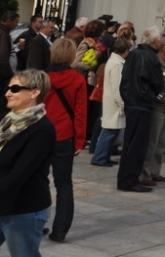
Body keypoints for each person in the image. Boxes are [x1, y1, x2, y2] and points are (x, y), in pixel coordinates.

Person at [0, 68, 56, 257]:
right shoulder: (8, 121)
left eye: (15, 88)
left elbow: (20, 173)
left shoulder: (42, 129)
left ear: (34, 92)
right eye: (8, 88)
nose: (8, 93)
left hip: (22, 208)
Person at [42, 39, 87, 242]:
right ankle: (60, 230)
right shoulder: (77, 79)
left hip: (41, 136)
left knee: (37, 180)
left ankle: (37, 221)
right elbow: (80, 113)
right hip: (64, 135)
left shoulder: (42, 78)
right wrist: (79, 140)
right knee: (64, 183)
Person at [117, 28, 164, 192]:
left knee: (130, 143)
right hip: (142, 103)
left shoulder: (134, 53)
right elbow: (158, 82)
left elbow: (125, 77)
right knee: (138, 145)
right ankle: (130, 180)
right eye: (160, 39)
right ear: (155, 41)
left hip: (131, 101)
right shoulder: (151, 57)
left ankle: (124, 179)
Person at [139, 36, 165, 188]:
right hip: (158, 108)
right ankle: (144, 173)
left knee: (161, 143)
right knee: (152, 142)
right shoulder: (156, 63)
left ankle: (155, 171)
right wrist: (159, 96)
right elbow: (151, 83)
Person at [91, 37, 131, 166]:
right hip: (114, 104)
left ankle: (104, 156)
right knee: (109, 132)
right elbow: (116, 87)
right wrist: (122, 104)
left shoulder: (114, 62)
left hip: (112, 102)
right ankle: (100, 157)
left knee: (111, 132)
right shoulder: (116, 64)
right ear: (125, 51)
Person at [0, 11, 17, 119]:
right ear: (8, 21)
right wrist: (10, 76)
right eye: (15, 22)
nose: (16, 25)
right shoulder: (3, 34)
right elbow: (3, 58)